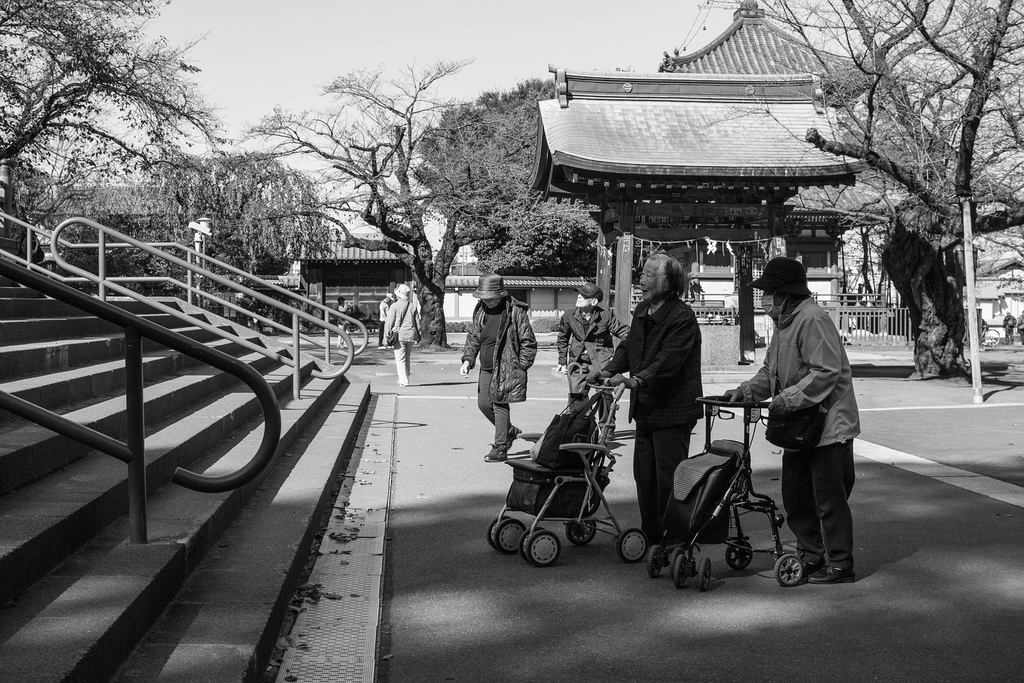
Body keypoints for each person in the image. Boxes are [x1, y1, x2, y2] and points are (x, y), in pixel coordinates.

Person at [724, 256, 860, 585]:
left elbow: (826, 372)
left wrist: (787, 399)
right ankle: (812, 554)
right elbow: (769, 373)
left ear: (785, 294)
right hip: (800, 425)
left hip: (828, 425)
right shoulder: (785, 323)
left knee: (829, 499)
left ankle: (841, 564)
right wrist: (744, 391)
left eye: (769, 291)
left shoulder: (812, 319)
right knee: (797, 495)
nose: (764, 298)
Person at [586, 253, 703, 544]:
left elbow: (668, 362)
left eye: (651, 275)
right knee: (644, 476)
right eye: (643, 274)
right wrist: (607, 370)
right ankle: (651, 535)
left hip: (673, 410)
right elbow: (628, 347)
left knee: (668, 478)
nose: (643, 280)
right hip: (647, 410)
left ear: (669, 282)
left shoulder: (682, 317)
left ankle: (673, 538)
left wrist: (636, 380)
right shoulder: (642, 311)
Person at [460, 274, 537, 462]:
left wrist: (521, 365)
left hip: (507, 366)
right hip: (486, 366)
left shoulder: (515, 311)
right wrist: (467, 360)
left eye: (490, 297)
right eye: (484, 297)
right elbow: (474, 336)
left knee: (500, 403)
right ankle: (509, 431)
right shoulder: (480, 309)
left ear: (500, 294)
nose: (487, 300)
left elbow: (528, 341)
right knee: (484, 404)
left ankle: (500, 447)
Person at [556, 283, 629, 423]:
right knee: (576, 396)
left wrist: (619, 355)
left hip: (600, 362)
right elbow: (562, 338)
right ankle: (582, 425)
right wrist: (561, 361)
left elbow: (625, 333)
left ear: (594, 301)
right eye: (579, 293)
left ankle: (606, 426)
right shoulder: (569, 314)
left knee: (605, 394)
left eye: (584, 295)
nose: (579, 296)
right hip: (578, 361)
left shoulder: (605, 316)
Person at [383, 284, 421, 387]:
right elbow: (418, 322)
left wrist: (386, 336)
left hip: (399, 335)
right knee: (407, 358)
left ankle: (403, 380)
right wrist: (419, 335)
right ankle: (406, 377)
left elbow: (389, 322)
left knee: (400, 359)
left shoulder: (394, 306)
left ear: (398, 295)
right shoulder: (412, 305)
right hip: (411, 334)